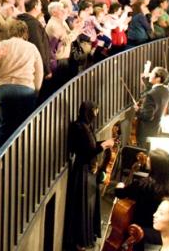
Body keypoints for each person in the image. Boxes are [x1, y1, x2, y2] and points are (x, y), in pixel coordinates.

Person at [63, 101, 115, 251]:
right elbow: (86, 151)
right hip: (82, 170)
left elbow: (91, 145)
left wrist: (103, 143)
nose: (95, 115)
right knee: (82, 206)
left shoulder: (86, 126)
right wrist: (104, 145)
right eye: (94, 112)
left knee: (89, 206)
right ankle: (79, 240)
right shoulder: (79, 127)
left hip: (89, 170)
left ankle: (87, 236)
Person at [114, 149, 169, 248]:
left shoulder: (143, 184)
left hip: (138, 230)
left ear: (155, 165)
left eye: (150, 158)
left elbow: (120, 194)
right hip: (159, 231)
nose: (147, 159)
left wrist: (120, 185)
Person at [135, 65, 169, 148]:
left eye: (152, 73)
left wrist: (138, 110)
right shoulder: (166, 91)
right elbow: (151, 88)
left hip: (146, 132)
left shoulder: (151, 95)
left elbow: (148, 116)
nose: (150, 75)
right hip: (156, 129)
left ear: (158, 78)